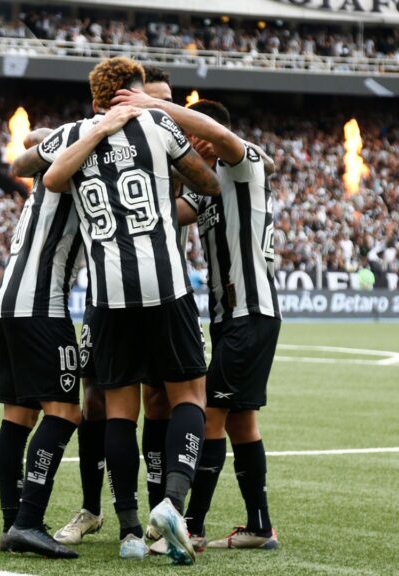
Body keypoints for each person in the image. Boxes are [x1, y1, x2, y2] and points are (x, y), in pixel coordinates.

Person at [42, 57, 221, 564]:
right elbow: (207, 182)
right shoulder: (159, 123)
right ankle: (173, 503)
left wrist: (92, 128)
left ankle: (127, 530)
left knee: (119, 408)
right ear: (137, 92)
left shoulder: (74, 134)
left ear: (95, 99)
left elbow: (42, 169)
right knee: (189, 394)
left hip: (108, 292)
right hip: (165, 283)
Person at [114, 91, 281, 550]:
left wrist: (153, 106)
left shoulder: (242, 163)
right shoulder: (208, 188)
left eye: (193, 136)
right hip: (234, 317)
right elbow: (167, 216)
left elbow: (222, 135)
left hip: (251, 311)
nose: (191, 144)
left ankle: (191, 527)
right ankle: (259, 527)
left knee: (209, 413)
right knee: (242, 423)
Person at [53, 63, 176, 548]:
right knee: (97, 400)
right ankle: (94, 509)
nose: (150, 107)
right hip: (108, 293)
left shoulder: (168, 138)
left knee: (160, 399)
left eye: (163, 101)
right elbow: (37, 157)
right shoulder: (100, 137)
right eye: (148, 97)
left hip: (165, 293)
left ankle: (158, 512)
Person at [0, 128, 85, 559]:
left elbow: (32, 138)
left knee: (18, 417)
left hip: (5, 299)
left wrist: (63, 134)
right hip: (42, 303)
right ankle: (27, 522)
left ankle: (14, 520)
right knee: (65, 413)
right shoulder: (82, 167)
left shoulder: (51, 166)